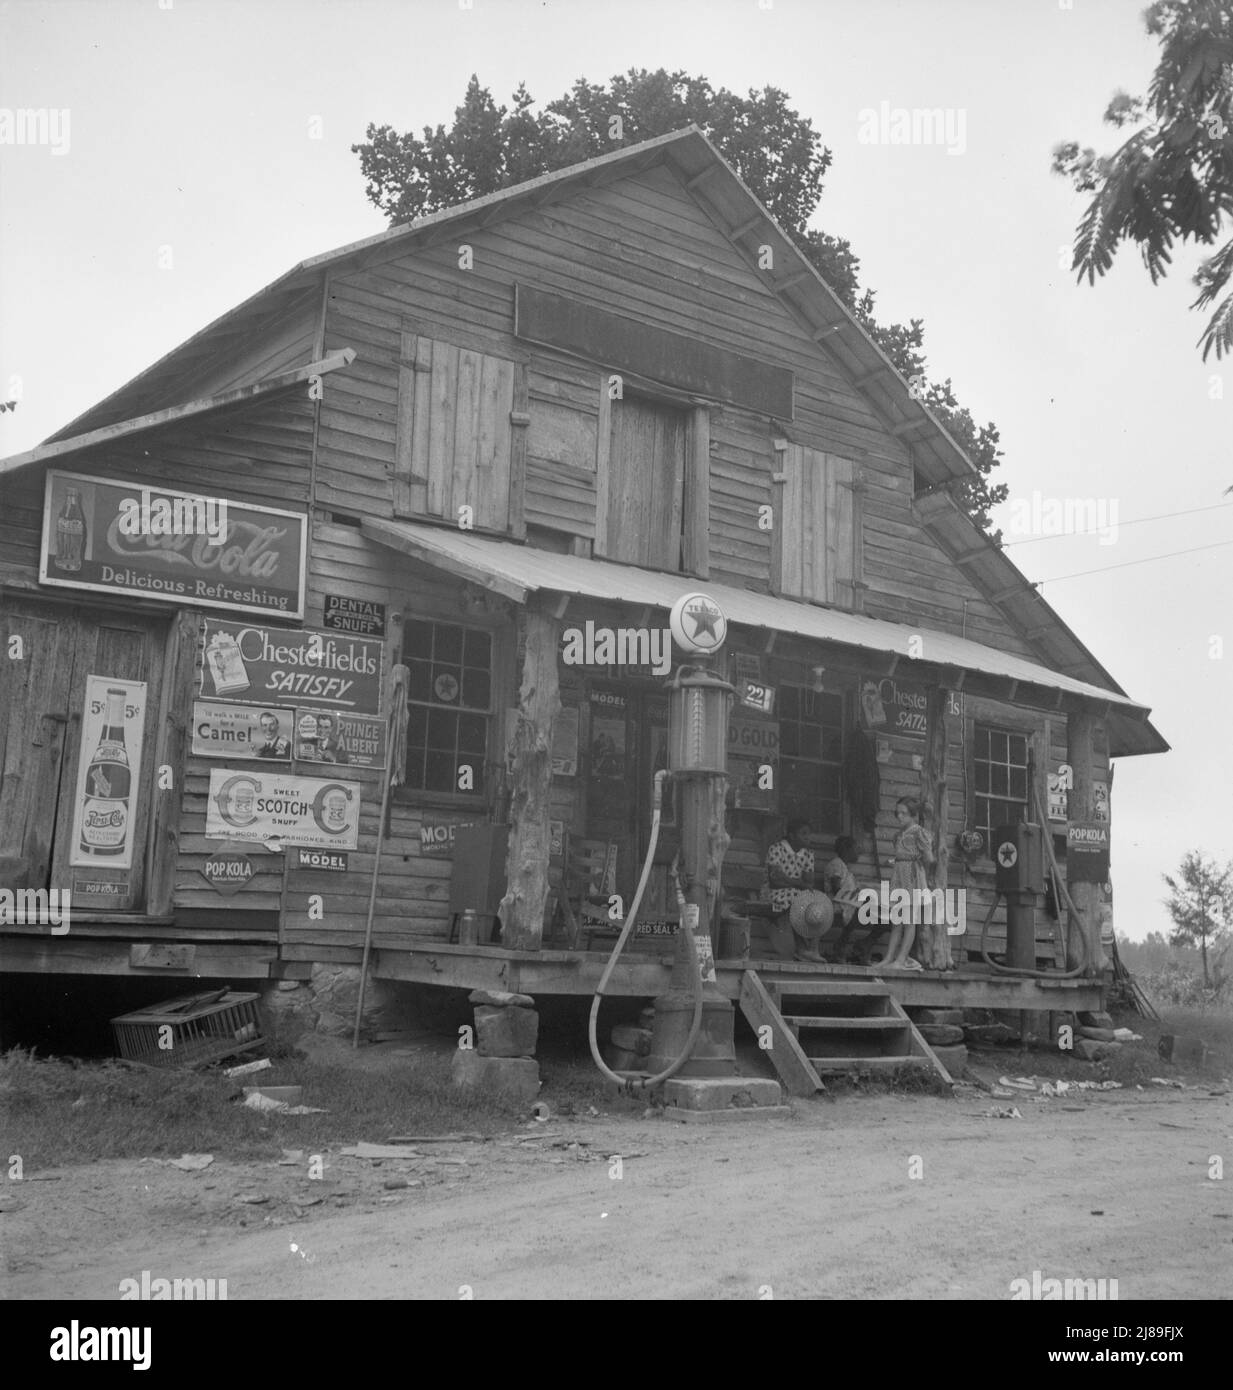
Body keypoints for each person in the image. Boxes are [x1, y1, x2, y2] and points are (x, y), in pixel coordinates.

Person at [881, 797, 934, 970]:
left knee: (910, 920)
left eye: (904, 813)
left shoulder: (919, 832)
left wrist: (915, 865)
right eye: (898, 813)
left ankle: (901, 959)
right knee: (896, 919)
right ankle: (889, 958)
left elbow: (929, 858)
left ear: (913, 815)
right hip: (899, 877)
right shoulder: (899, 835)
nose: (900, 817)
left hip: (912, 877)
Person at [765, 818, 825, 962]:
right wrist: (799, 883)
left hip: (795, 893)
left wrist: (789, 879)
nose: (807, 837)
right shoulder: (776, 849)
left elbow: (809, 882)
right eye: (803, 834)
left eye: (809, 834)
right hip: (773, 892)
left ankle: (812, 949)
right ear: (791, 835)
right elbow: (775, 881)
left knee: (819, 902)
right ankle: (802, 949)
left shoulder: (808, 854)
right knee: (800, 901)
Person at [825, 834, 863, 962]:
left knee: (873, 910)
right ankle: (841, 947)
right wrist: (854, 897)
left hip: (846, 902)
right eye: (856, 848)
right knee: (864, 910)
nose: (859, 852)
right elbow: (836, 889)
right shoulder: (836, 864)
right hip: (836, 903)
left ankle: (844, 947)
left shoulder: (844, 867)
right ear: (847, 850)